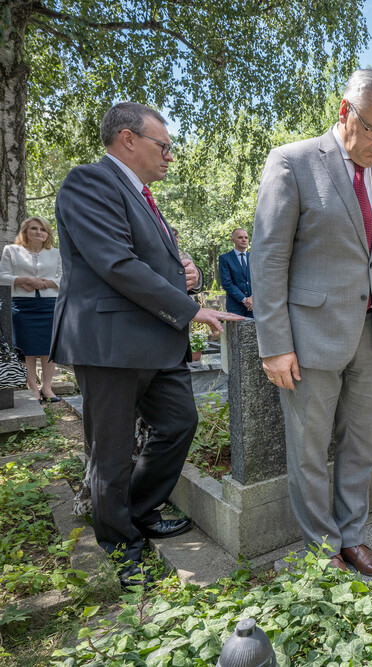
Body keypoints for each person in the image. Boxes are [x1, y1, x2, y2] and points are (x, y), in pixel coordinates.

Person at [51, 102, 240, 587]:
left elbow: (154, 261)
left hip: (157, 341)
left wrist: (187, 273)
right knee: (110, 454)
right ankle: (119, 545)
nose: (171, 156)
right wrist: (190, 306)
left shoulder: (145, 198)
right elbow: (116, 263)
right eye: (165, 145)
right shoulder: (90, 182)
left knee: (179, 423)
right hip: (111, 343)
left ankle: (137, 509)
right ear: (128, 139)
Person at [252, 68, 372, 577]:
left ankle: (353, 537)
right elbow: (269, 257)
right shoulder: (292, 162)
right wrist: (274, 343)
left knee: (362, 446)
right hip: (310, 336)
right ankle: (323, 552)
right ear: (346, 112)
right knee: (310, 451)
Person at [0, 217, 62, 403]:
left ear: (47, 234)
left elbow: (66, 278)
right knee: (26, 348)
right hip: (22, 305)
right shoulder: (11, 250)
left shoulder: (56, 253)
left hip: (50, 304)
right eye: (33, 228)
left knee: (49, 348)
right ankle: (33, 387)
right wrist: (24, 280)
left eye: (43, 229)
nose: (38, 232)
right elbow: (2, 276)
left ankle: (47, 387)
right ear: (25, 231)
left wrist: (47, 283)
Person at [218, 228, 253, 317]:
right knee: (235, 331)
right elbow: (227, 283)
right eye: (240, 237)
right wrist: (244, 300)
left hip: (254, 306)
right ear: (233, 240)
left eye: (246, 237)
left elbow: (260, 280)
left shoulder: (254, 257)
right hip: (235, 307)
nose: (244, 240)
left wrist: (253, 298)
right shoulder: (225, 258)